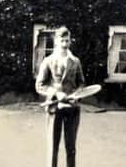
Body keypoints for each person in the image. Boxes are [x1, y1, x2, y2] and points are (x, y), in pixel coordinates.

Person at [36, 26, 85, 167]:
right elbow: (40, 85)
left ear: (70, 41)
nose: (65, 44)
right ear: (56, 41)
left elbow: (81, 83)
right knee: (53, 148)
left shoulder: (75, 61)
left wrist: (76, 95)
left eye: (67, 41)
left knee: (71, 148)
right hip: (54, 108)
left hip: (72, 109)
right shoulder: (48, 61)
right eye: (62, 41)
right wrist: (56, 93)